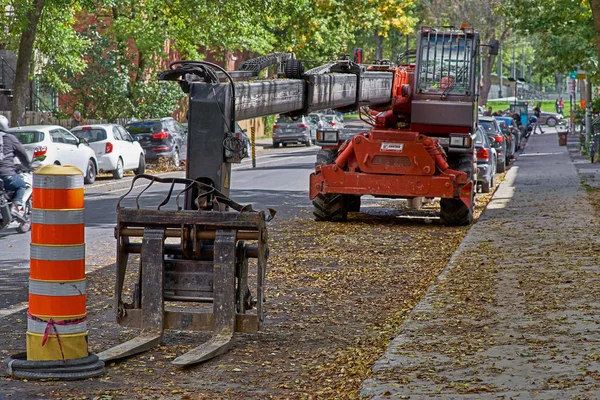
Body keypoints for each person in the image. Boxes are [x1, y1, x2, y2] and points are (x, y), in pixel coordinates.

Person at [0, 115, 32, 215]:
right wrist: (28, 166)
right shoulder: (10, 138)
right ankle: (16, 207)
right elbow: (22, 155)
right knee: (21, 186)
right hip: (6, 174)